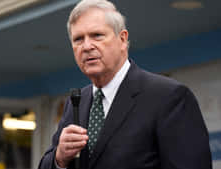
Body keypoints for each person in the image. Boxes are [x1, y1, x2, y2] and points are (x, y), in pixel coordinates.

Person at [38, 0, 212, 169]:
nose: (87, 46)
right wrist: (60, 158)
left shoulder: (168, 97)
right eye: (78, 39)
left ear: (122, 39)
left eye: (97, 35)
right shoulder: (76, 102)